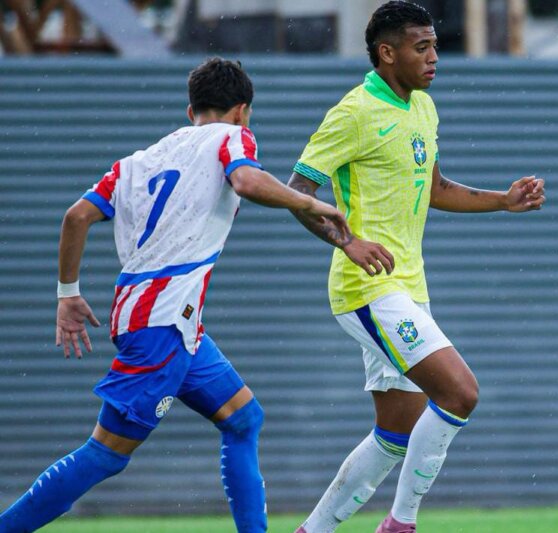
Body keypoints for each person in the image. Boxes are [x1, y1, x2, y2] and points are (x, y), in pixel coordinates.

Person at [0, 57, 350, 533]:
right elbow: (246, 181)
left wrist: (68, 293)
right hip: (161, 323)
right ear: (242, 111)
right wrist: (311, 201)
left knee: (244, 417)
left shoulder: (136, 163)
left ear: (190, 111)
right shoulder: (233, 137)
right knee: (106, 453)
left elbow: (76, 216)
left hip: (162, 319)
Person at [287, 2, 546, 532]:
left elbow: (435, 188)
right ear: (387, 53)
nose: (434, 58)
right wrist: (348, 241)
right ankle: (401, 524)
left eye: (434, 46)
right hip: (367, 288)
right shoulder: (355, 112)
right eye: (421, 47)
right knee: (460, 392)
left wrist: (503, 201)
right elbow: (298, 191)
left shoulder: (423, 107)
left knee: (395, 432)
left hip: (408, 287)